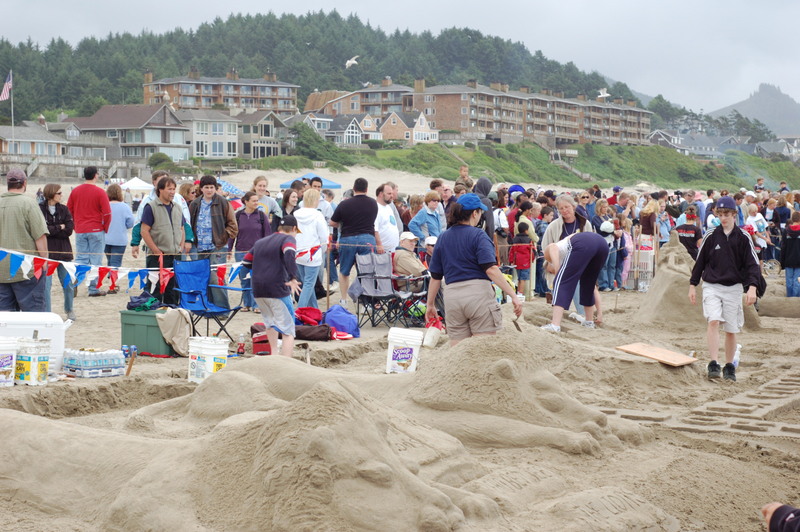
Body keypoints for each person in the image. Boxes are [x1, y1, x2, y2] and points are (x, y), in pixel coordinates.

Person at [424, 193, 521, 346]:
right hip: (478, 294)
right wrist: (512, 294)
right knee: (482, 347)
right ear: (475, 213)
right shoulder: (478, 235)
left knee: (458, 348)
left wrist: (430, 305)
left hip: (452, 295)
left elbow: (435, 276)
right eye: (480, 212)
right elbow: (491, 269)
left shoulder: (443, 237)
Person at [689, 196, 760, 382]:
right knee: (713, 320)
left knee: (731, 328)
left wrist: (752, 287)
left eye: (726, 214)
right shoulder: (711, 235)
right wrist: (692, 284)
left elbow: (752, 265)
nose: (723, 218)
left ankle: (729, 366)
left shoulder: (743, 237)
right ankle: (713, 362)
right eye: (720, 214)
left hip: (733, 287)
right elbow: (700, 261)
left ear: (734, 214)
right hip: (711, 285)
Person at [242, 215, 302, 358]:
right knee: (288, 329)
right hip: (277, 288)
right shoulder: (288, 239)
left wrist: (261, 270)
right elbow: (289, 253)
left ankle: (274, 355)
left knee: (270, 323)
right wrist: (293, 277)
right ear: (294, 228)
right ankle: (286, 361)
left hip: (258, 290)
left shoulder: (260, 242)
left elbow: (246, 262)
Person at [541, 231, 609, 332]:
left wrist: (557, 271)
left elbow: (552, 246)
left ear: (548, 264)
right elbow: (593, 289)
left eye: (550, 272)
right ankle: (589, 322)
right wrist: (599, 312)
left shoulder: (549, 257)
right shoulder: (574, 260)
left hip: (583, 242)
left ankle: (555, 325)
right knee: (588, 283)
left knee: (561, 282)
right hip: (602, 245)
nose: (552, 273)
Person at [0, 169, 48, 311]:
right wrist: (44, 260)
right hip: (26, 270)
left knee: (5, 319)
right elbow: (40, 236)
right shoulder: (29, 203)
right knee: (33, 316)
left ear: (8, 183)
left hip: (2, 270)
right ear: (24, 183)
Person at [189, 175, 238, 309]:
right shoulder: (195, 204)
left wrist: (223, 237)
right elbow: (190, 224)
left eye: (212, 187)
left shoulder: (223, 203)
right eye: (206, 187)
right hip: (200, 246)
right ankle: (209, 307)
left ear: (215, 188)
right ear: (201, 188)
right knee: (203, 278)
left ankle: (222, 309)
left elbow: (233, 226)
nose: (209, 190)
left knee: (216, 278)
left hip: (218, 246)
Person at [329, 178, 380, 306]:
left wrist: (344, 222)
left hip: (348, 238)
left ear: (353, 189)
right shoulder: (373, 203)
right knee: (366, 272)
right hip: (367, 238)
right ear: (366, 189)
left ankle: (344, 299)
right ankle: (366, 302)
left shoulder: (344, 204)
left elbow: (332, 222)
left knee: (344, 271)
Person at [140, 177, 190, 305]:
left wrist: (181, 246)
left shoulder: (178, 207)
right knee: (155, 290)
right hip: (157, 257)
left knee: (173, 292)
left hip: (176, 256)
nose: (172, 192)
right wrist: (156, 250)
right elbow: (144, 231)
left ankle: (171, 314)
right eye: (169, 189)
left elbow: (182, 228)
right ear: (160, 190)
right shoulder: (151, 207)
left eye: (174, 189)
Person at [67, 166, 111, 296]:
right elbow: (107, 213)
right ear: (96, 175)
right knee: (95, 260)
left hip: (81, 229)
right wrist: (105, 227)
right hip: (96, 228)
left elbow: (69, 210)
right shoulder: (100, 192)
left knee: (81, 258)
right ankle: (93, 289)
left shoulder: (75, 191)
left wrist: (75, 225)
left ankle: (74, 284)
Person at [228, 191, 269, 312]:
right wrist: (229, 249)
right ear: (246, 202)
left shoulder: (261, 216)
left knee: (256, 279)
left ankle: (257, 305)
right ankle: (247, 304)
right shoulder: (238, 215)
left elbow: (267, 234)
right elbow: (233, 234)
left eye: (257, 201)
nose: (256, 203)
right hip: (240, 252)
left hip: (258, 252)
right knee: (244, 279)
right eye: (254, 201)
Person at [40, 184, 75, 319]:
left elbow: (69, 230)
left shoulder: (64, 209)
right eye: (59, 193)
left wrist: (53, 229)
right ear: (52, 194)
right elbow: (43, 230)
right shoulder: (40, 209)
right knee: (46, 286)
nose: (61, 195)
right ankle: (47, 313)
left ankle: (69, 309)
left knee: (68, 284)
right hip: (47, 253)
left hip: (64, 252)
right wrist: (59, 227)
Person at [293, 189, 328, 309]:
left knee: (307, 283)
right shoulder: (318, 215)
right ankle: (300, 310)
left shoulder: (296, 214)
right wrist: (323, 250)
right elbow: (323, 236)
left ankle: (314, 309)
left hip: (298, 252)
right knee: (308, 284)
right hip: (313, 253)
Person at [104, 184, 135, 283]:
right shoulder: (125, 207)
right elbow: (130, 223)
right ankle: (113, 283)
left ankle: (111, 279)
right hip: (119, 239)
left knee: (110, 261)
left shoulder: (104, 206)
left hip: (105, 239)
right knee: (116, 262)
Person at [374, 183, 400, 256]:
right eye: (389, 194)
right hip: (382, 251)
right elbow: (375, 229)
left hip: (393, 249)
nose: (392, 196)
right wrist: (379, 244)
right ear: (381, 194)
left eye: (392, 193)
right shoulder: (376, 208)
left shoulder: (388, 207)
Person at [509, 221, 533, 296]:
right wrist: (532, 259)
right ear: (526, 230)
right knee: (523, 279)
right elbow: (532, 251)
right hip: (525, 261)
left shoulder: (515, 239)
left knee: (519, 278)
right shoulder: (528, 240)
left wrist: (511, 260)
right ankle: (520, 294)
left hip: (517, 261)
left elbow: (512, 251)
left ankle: (518, 293)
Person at [780, 211, 800, 297]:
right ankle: (796, 298)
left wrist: (782, 261)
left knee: (789, 280)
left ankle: (789, 297)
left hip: (788, 259)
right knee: (797, 280)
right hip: (798, 259)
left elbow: (783, 247)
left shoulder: (786, 231)